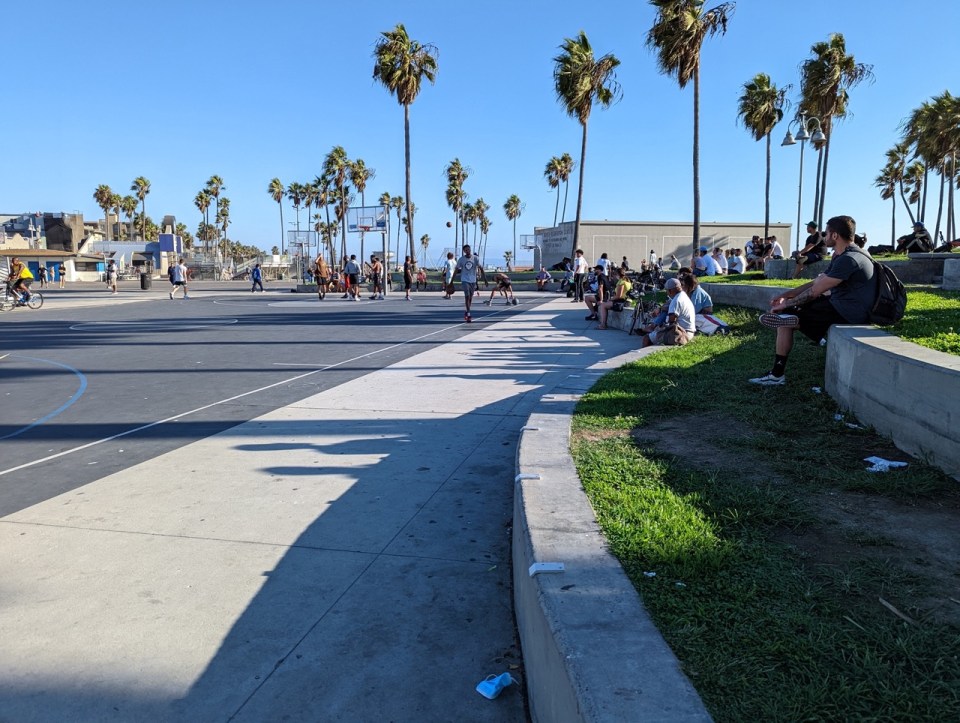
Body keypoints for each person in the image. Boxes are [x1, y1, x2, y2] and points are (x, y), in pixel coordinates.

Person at [749, 214, 877, 386]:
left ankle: (777, 374)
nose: (823, 237)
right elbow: (818, 282)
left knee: (785, 316)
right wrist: (787, 295)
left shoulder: (849, 259)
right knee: (786, 317)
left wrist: (786, 304)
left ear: (835, 236)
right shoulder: (844, 255)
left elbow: (815, 292)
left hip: (851, 313)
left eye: (826, 233)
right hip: (842, 305)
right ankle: (812, 335)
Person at [642, 277, 696, 347]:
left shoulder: (676, 301)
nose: (667, 293)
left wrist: (660, 328)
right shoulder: (684, 296)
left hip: (681, 334)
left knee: (646, 338)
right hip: (690, 331)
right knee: (655, 334)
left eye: (667, 291)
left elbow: (672, 323)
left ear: (670, 291)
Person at [454, 244, 480, 322]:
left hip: (473, 280)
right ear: (464, 251)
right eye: (466, 250)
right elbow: (456, 270)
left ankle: (467, 310)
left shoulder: (475, 258)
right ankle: (468, 314)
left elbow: (480, 268)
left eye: (468, 249)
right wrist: (451, 281)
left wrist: (485, 279)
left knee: (470, 298)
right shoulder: (461, 259)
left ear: (470, 250)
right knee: (467, 296)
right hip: (464, 279)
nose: (467, 251)